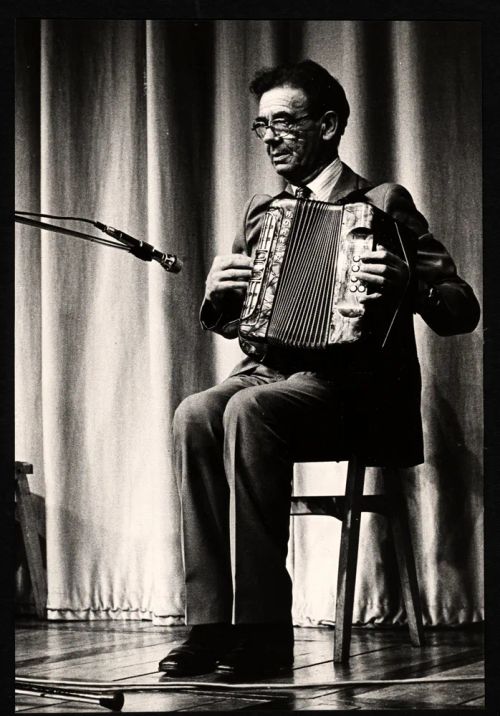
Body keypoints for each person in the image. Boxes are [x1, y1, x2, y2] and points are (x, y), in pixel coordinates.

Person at [159, 60, 480, 679]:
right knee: (198, 411)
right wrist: (219, 297)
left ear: (329, 125)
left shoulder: (383, 203)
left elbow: (461, 309)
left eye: (284, 123)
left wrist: (409, 283)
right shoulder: (263, 210)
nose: (271, 138)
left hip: (355, 390)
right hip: (275, 375)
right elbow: (246, 322)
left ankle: (262, 636)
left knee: (251, 410)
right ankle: (208, 626)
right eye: (262, 126)